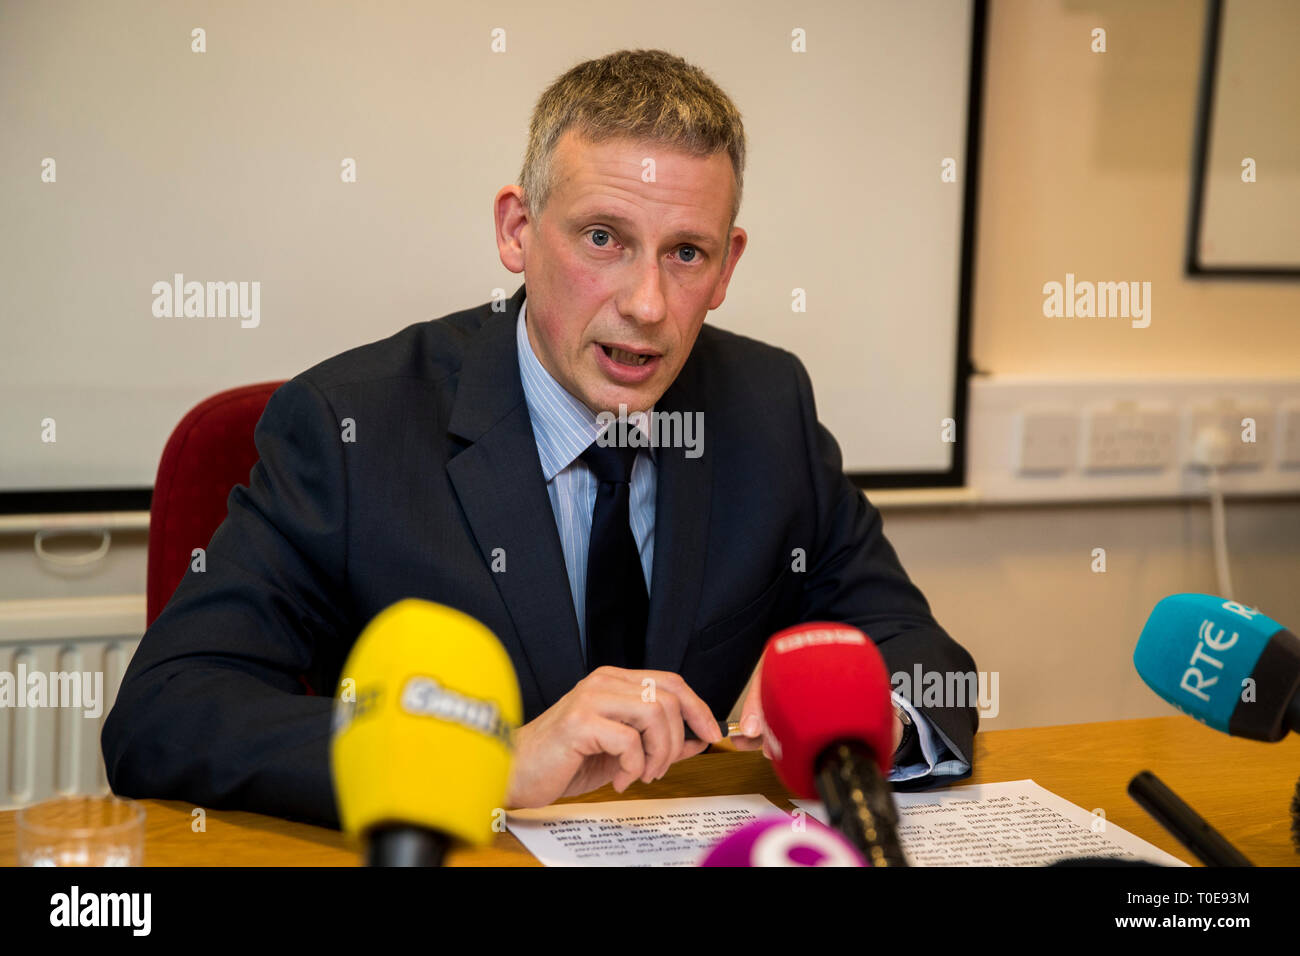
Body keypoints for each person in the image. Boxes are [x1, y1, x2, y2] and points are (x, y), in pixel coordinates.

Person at [102, 48, 979, 829]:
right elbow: (167, 710)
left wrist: (860, 724)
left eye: (686, 254)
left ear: (728, 267)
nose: (645, 304)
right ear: (517, 231)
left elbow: (916, 651)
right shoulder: (351, 428)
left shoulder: (764, 403)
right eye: (603, 238)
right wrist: (492, 755)